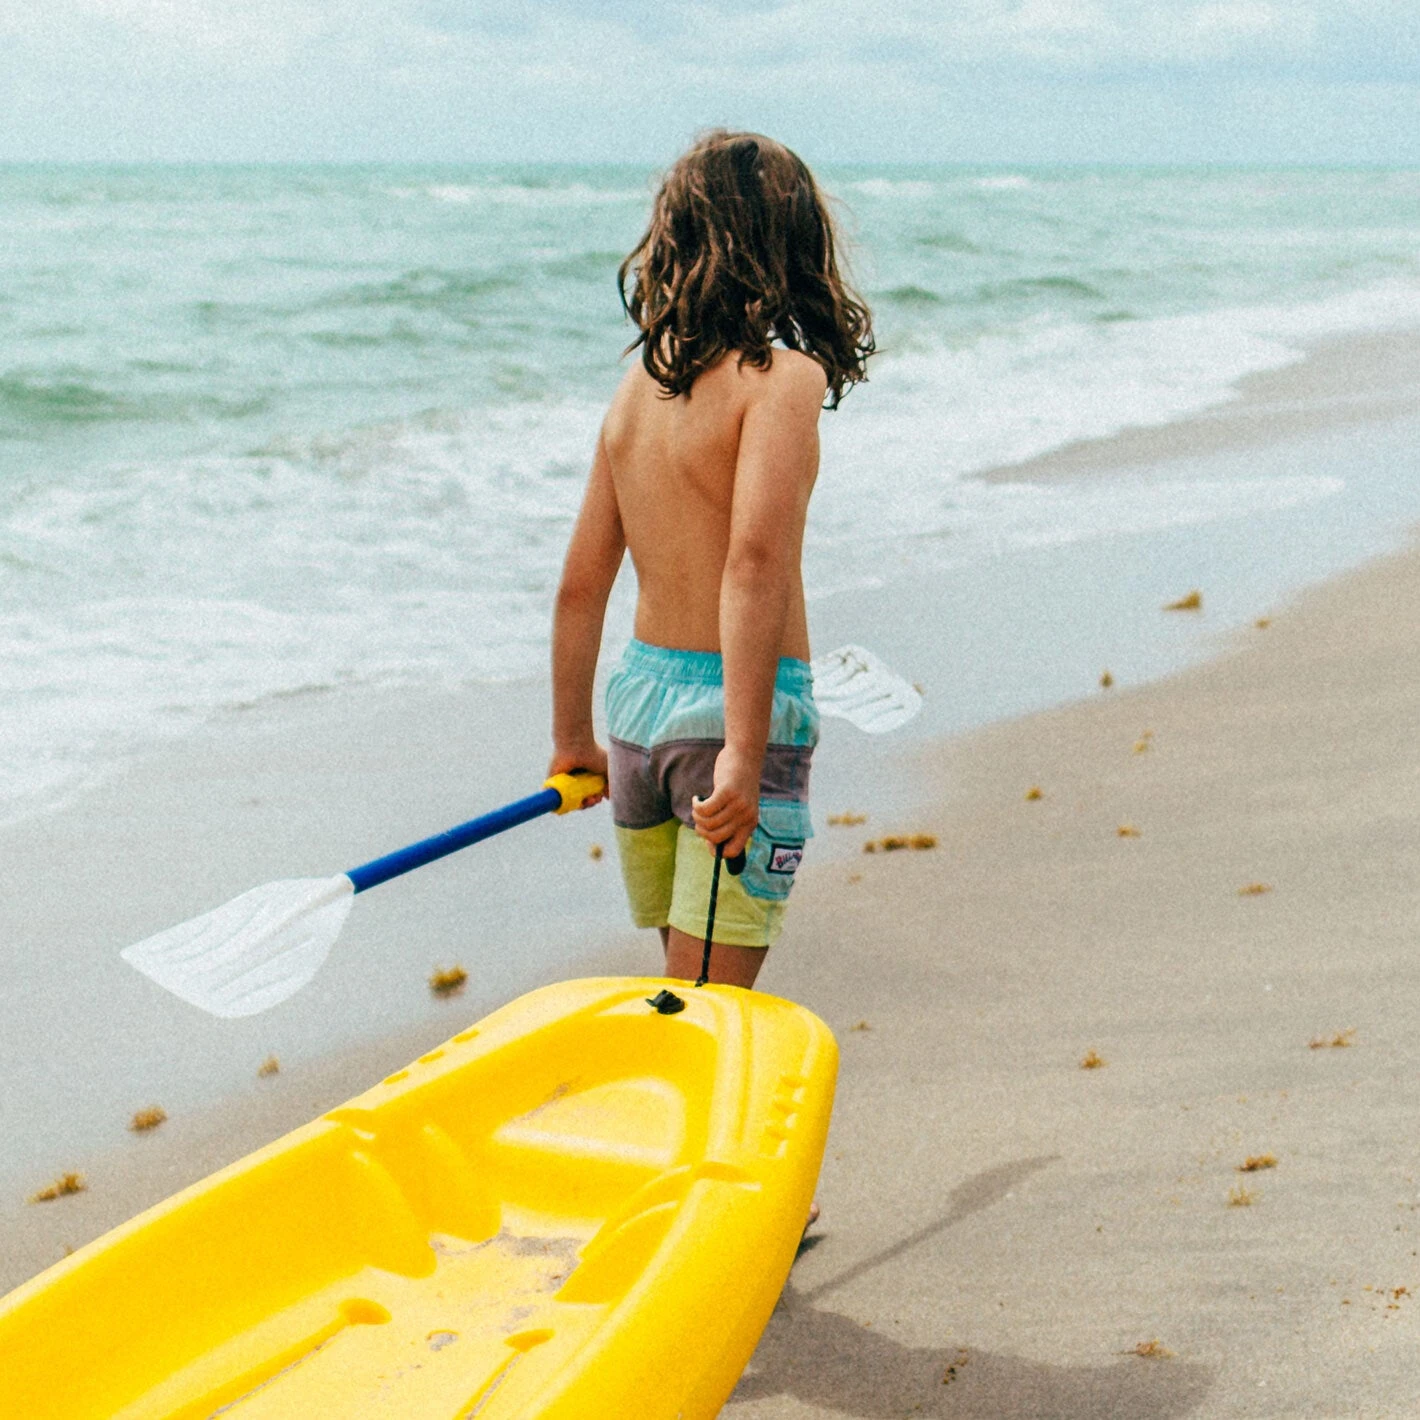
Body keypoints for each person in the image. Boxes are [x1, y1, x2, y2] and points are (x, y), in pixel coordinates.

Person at [548, 129, 874, 988]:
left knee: (680, 985)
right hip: (727, 716)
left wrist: (572, 739)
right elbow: (754, 566)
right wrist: (743, 746)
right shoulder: (784, 380)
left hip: (636, 713)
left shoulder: (637, 389)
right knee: (706, 1002)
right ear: (795, 247)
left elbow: (580, 586)